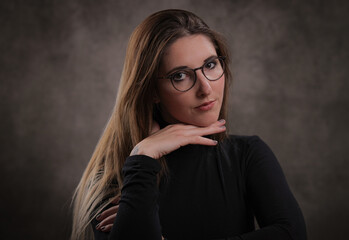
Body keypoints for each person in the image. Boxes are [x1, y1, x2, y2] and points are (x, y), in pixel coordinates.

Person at [71, 9, 307, 240]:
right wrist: (143, 157)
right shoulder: (118, 174)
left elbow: (292, 234)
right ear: (152, 90)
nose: (205, 88)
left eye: (211, 65)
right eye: (180, 76)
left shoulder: (247, 154)